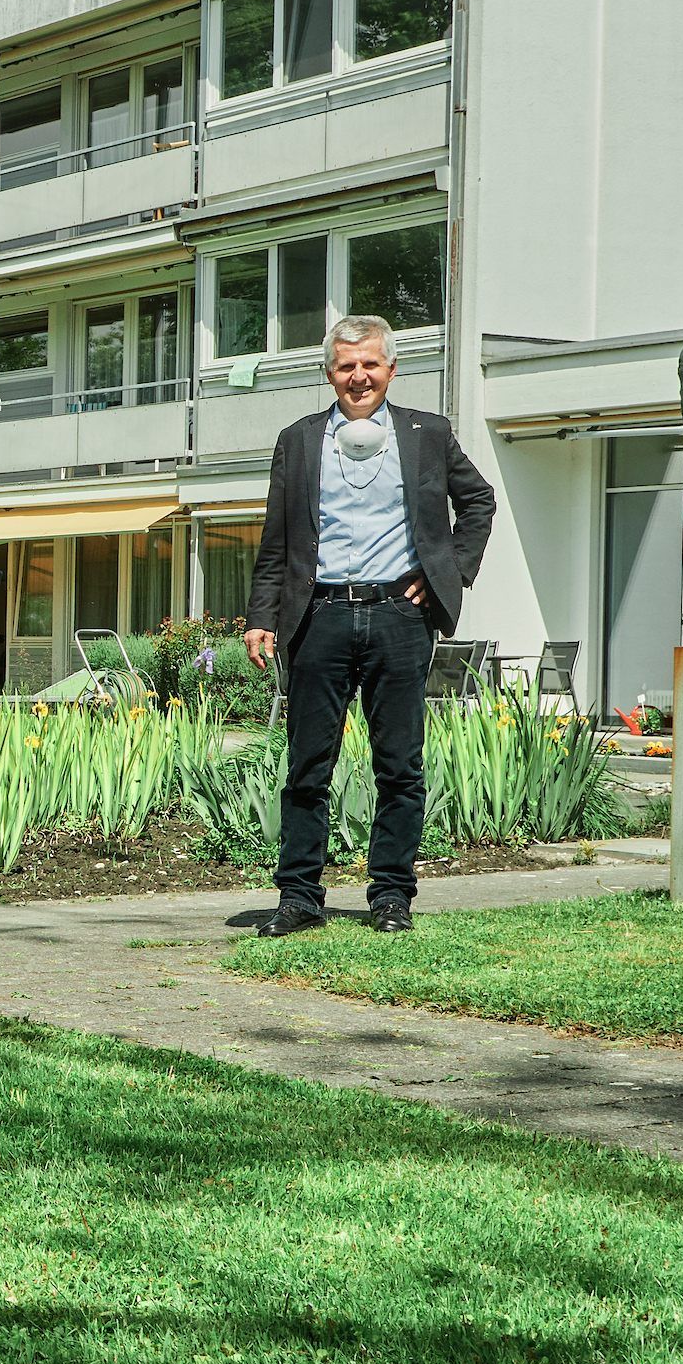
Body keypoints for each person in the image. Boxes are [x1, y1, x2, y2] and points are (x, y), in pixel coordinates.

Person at [245, 313, 496, 936]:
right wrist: (260, 617)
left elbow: (479, 501)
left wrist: (449, 572)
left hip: (400, 618)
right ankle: (299, 896)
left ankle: (391, 896)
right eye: (345, 366)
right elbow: (276, 541)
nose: (358, 377)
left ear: (390, 369)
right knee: (307, 765)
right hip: (318, 618)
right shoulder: (299, 440)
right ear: (329, 373)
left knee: (399, 766)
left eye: (370, 365)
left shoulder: (427, 434)